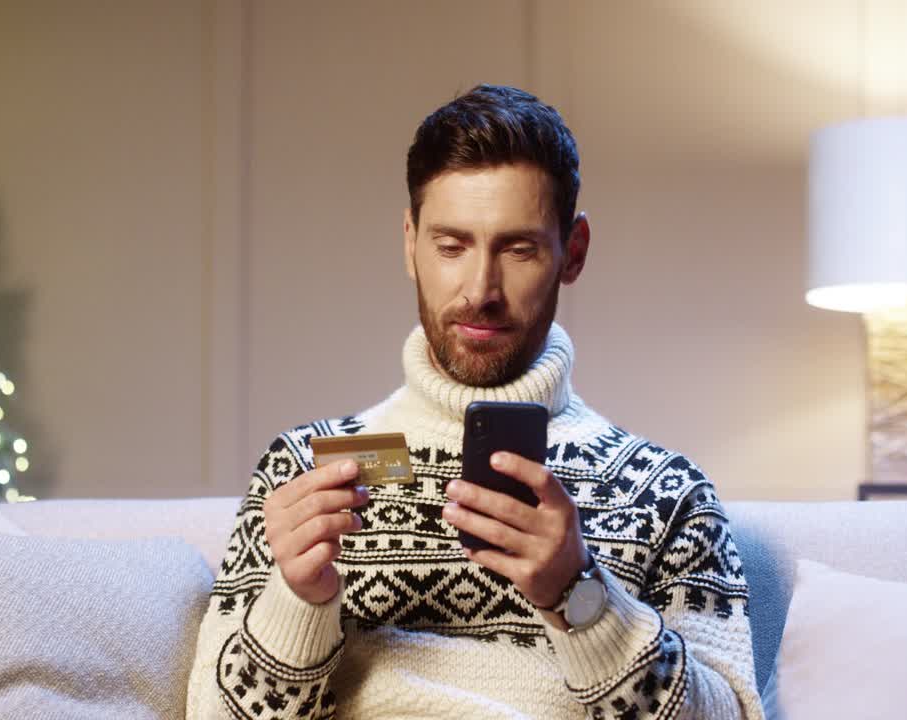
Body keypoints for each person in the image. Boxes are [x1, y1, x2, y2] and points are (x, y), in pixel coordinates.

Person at [186, 84, 764, 720]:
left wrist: (581, 598)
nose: (481, 290)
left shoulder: (668, 494)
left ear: (572, 252)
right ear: (410, 244)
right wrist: (298, 601)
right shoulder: (305, 469)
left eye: (518, 249)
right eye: (451, 247)